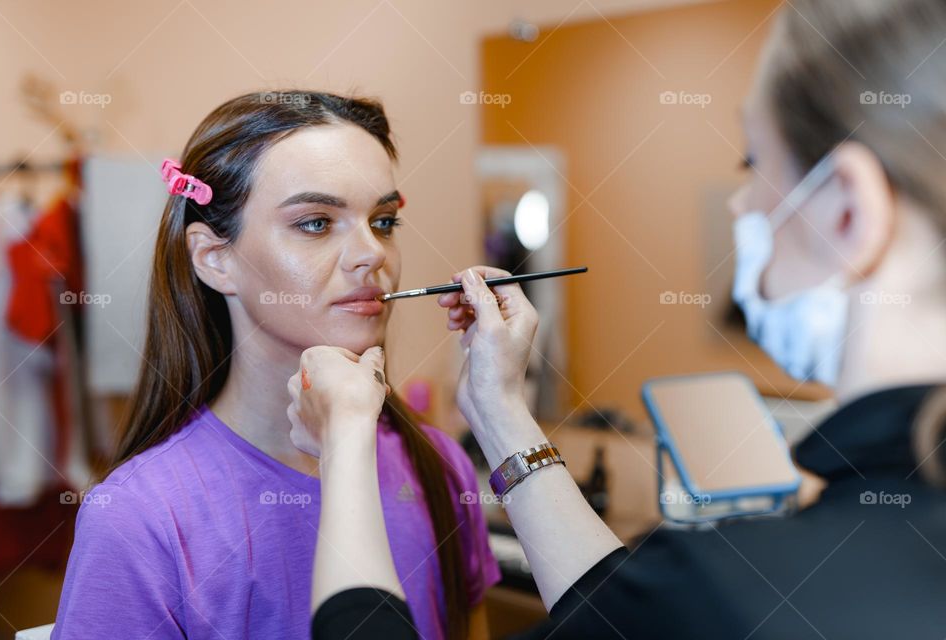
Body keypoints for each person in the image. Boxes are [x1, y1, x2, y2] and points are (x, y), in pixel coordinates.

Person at [297, 1, 946, 637]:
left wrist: (347, 445)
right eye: (316, 222)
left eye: (753, 163)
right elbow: (613, 616)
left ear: (847, 211)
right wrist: (497, 408)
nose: (739, 205)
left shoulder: (743, 587)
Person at [51, 91, 500, 640]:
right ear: (214, 258)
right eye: (315, 223)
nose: (373, 254)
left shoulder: (441, 467)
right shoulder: (136, 517)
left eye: (383, 221)